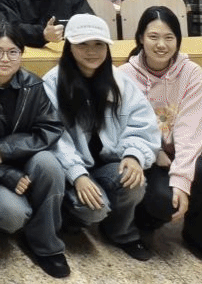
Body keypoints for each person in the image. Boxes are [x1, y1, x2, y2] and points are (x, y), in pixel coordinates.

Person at [119, 6, 202, 272]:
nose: (161, 45)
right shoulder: (124, 75)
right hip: (146, 154)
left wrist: (181, 179)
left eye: (169, 37)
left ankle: (201, 238)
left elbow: (190, 128)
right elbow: (124, 127)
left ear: (178, 40)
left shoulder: (190, 72)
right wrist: (155, 152)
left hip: (180, 150)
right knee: (162, 200)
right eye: (153, 37)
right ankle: (142, 225)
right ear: (140, 38)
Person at [43, 14, 160, 261]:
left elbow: (143, 124)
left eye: (99, 44)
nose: (91, 51)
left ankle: (122, 233)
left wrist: (134, 154)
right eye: (82, 44)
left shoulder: (120, 81)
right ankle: (71, 216)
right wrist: (77, 174)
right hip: (70, 170)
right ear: (69, 46)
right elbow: (53, 136)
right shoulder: (52, 82)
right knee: (93, 208)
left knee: (133, 180)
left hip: (108, 162)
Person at [0, 19, 68, 278]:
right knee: (11, 214)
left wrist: (7, 148)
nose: (5, 59)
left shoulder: (33, 84)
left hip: (25, 159)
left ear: (21, 54)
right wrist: (7, 174)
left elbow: (50, 127)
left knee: (50, 164)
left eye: (13, 52)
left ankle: (47, 245)